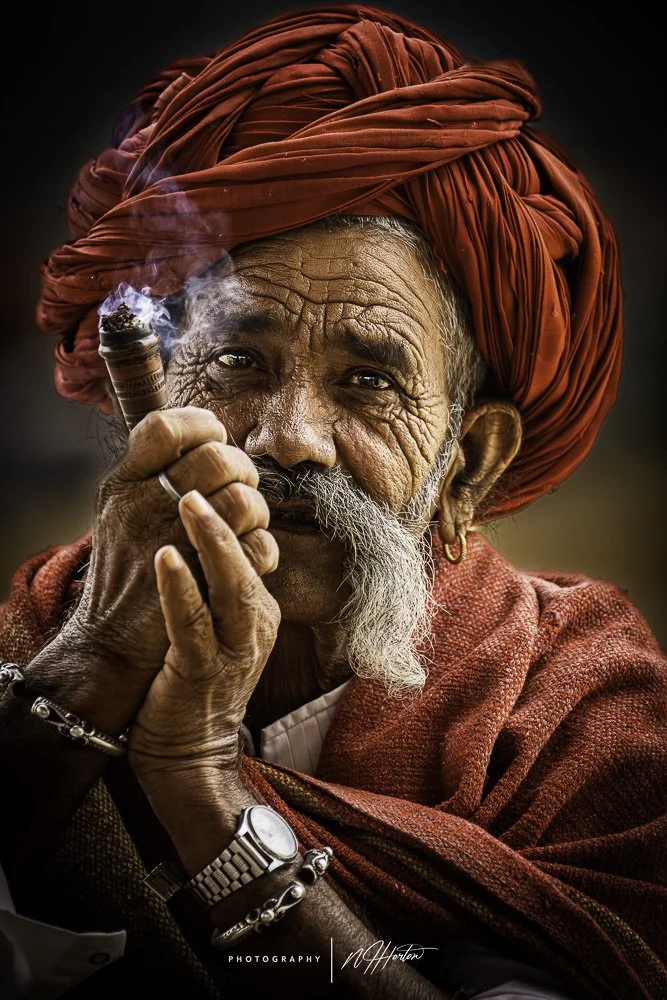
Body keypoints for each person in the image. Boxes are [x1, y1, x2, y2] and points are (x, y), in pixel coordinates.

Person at [0, 6, 664, 1000]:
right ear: (158, 392)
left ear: (469, 461)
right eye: (236, 360)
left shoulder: (580, 706)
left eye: (367, 381)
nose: (290, 436)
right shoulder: (37, 635)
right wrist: (93, 668)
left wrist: (203, 786)